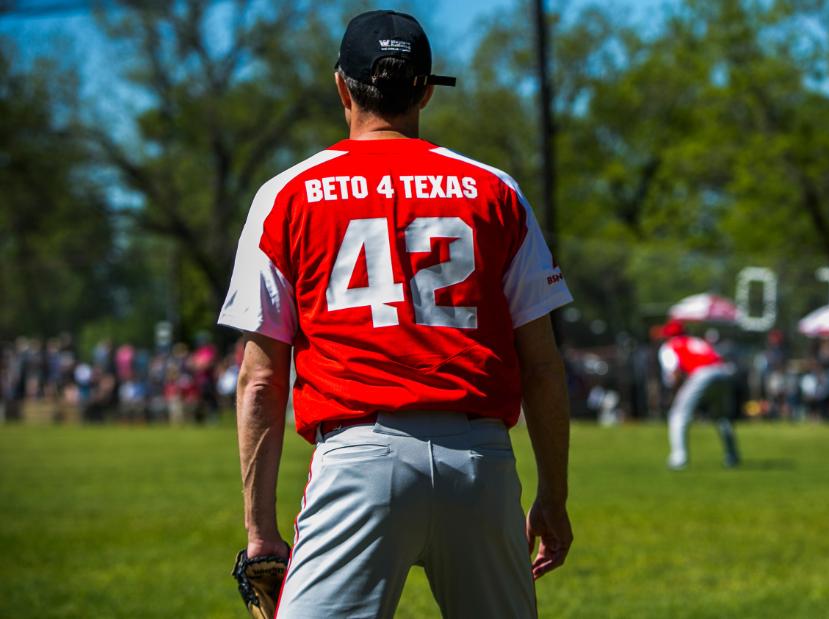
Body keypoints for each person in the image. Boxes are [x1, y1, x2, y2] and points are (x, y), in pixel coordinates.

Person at [217, 10, 574, 618]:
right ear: (427, 90)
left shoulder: (287, 194)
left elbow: (261, 379)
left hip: (359, 458)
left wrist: (260, 532)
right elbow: (541, 366)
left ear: (341, 87)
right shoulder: (494, 190)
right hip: (479, 462)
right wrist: (553, 496)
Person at [659, 319, 740, 469]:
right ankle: (732, 456)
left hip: (702, 374)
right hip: (723, 372)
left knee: (678, 415)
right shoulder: (696, 341)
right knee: (722, 416)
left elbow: (674, 373)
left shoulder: (670, 346)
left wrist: (675, 393)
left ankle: (679, 459)